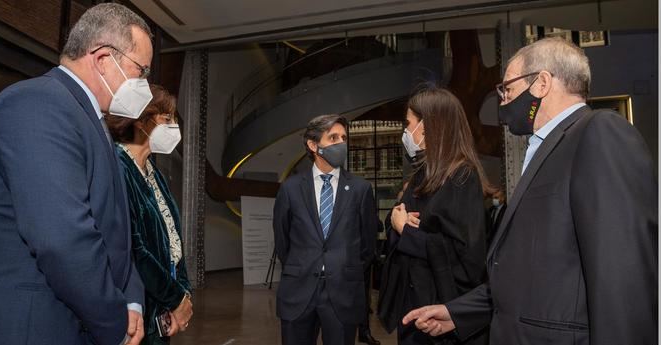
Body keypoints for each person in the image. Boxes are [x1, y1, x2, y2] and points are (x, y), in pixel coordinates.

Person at [403, 38, 658, 345]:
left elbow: (623, 279)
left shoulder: (599, 132)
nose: (503, 101)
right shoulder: (545, 149)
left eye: (507, 89)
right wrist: (457, 313)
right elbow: (527, 274)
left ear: (541, 83)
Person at [0, 3, 152, 344]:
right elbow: (64, 241)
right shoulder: (37, 105)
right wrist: (115, 320)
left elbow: (116, 228)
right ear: (102, 59)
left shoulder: (90, 118)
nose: (143, 84)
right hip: (37, 326)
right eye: (141, 70)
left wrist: (132, 299)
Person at [377, 87, 492, 345]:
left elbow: (466, 258)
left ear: (428, 126)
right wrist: (398, 222)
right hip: (414, 308)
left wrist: (405, 230)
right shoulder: (423, 173)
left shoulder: (462, 176)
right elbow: (397, 218)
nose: (406, 132)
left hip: (441, 316)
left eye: (409, 124)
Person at [273, 114, 378, 345]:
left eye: (343, 137)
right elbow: (282, 240)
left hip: (343, 292)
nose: (341, 143)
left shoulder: (360, 189)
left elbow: (368, 245)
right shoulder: (290, 189)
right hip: (298, 290)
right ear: (313, 145)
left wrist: (344, 267)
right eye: (333, 138)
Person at [105, 84, 193, 344]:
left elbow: (173, 241)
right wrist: (176, 298)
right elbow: (135, 249)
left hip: (162, 312)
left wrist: (184, 295)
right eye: (167, 119)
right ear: (141, 121)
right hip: (137, 312)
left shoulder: (153, 172)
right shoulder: (119, 168)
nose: (173, 126)